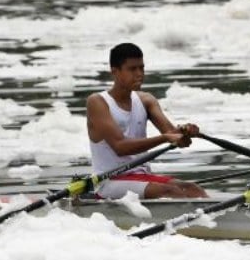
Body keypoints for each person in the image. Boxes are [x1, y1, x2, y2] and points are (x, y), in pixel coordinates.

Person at [86, 43, 207, 199]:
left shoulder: (146, 100)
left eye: (141, 68)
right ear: (115, 72)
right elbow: (120, 147)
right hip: (109, 182)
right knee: (171, 192)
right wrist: (165, 138)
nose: (139, 74)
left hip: (140, 177)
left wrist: (185, 132)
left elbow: (175, 137)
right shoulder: (98, 102)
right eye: (132, 69)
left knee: (193, 189)